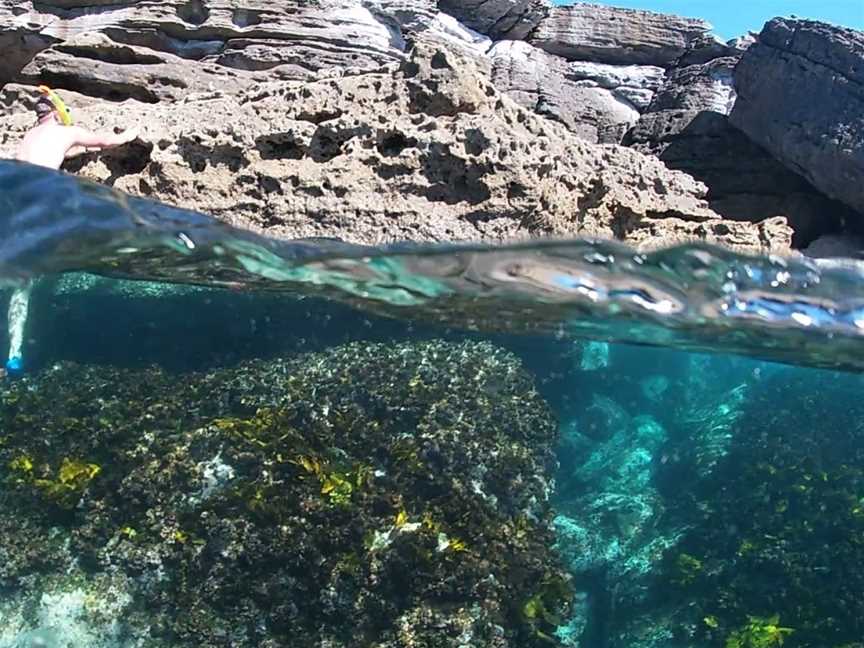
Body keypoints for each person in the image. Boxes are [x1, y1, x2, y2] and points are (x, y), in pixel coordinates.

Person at [5, 91, 139, 376]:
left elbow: (63, 153)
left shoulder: (29, 137)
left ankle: (16, 352)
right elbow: (106, 141)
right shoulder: (66, 131)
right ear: (57, 111)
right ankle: (14, 356)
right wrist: (130, 132)